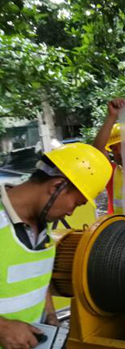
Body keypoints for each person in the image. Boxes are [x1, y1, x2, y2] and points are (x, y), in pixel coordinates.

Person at [0, 143, 111, 349]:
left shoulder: (43, 229)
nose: (71, 213)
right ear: (56, 187)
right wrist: (3, 327)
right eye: (76, 204)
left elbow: (35, 279)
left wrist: (50, 314)